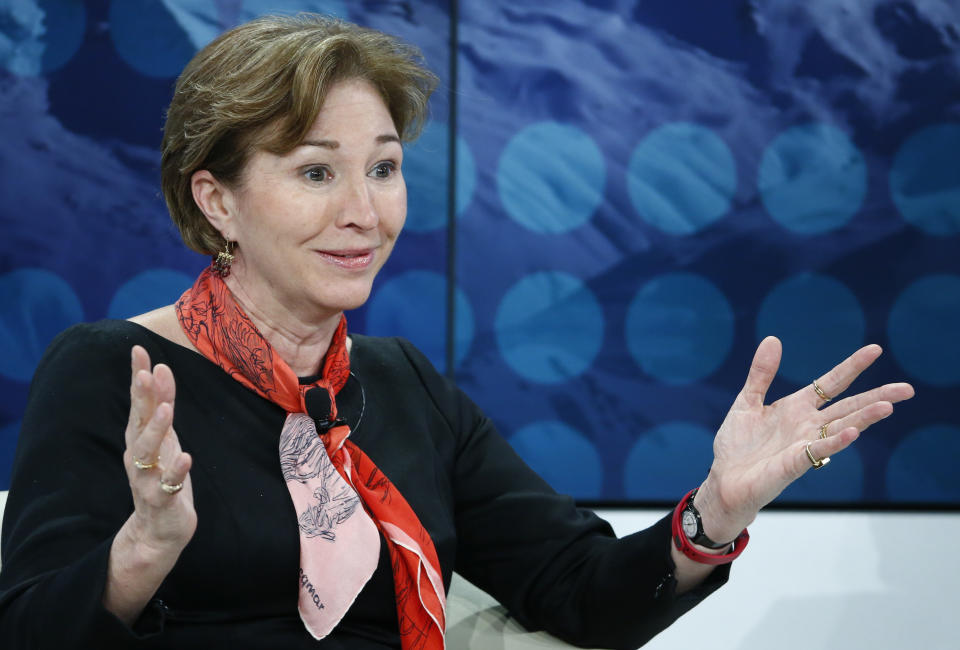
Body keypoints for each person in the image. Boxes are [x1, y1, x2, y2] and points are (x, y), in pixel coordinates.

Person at [0, 13, 914, 650]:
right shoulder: (109, 372)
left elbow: (578, 591)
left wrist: (718, 510)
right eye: (316, 174)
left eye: (385, 169)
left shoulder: (403, 387)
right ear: (218, 199)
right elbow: (32, 630)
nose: (364, 211)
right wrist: (141, 555)